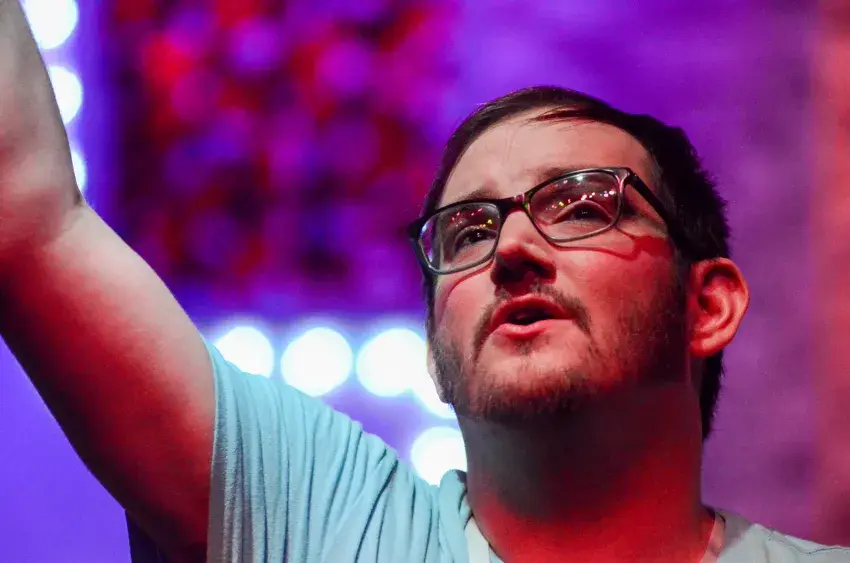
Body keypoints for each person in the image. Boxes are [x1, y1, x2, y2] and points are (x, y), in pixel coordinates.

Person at [0, 2, 846, 562]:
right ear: (438, 347)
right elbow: (28, 217)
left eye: (581, 205)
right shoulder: (320, 520)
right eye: (468, 231)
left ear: (708, 303)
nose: (511, 248)